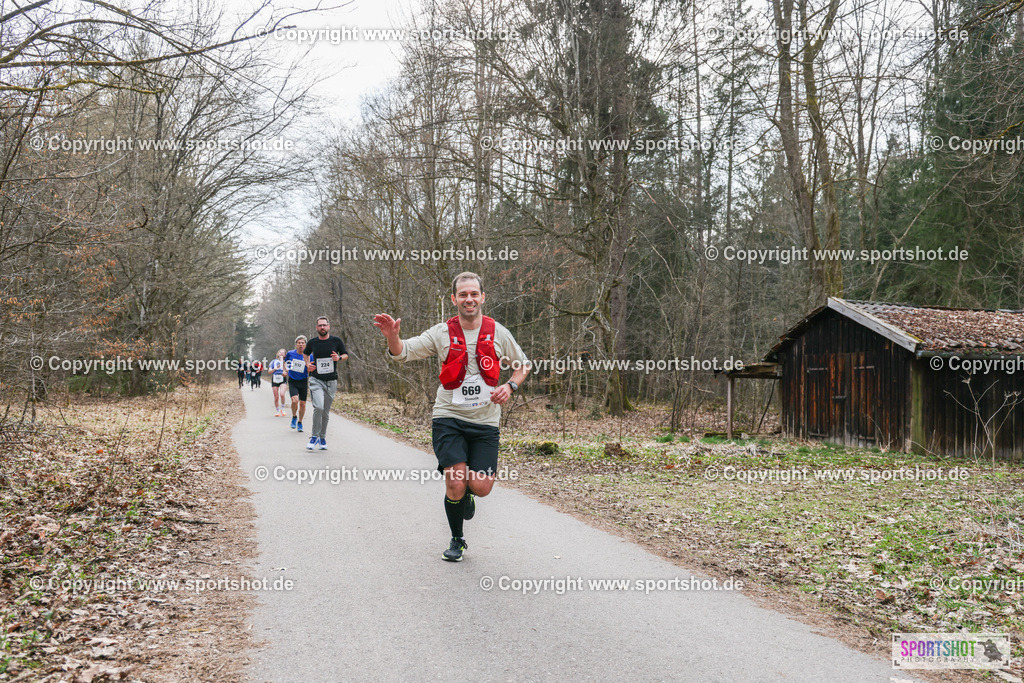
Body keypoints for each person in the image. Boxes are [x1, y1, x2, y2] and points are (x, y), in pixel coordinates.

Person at [374, 271, 530, 562]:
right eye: (463, 294)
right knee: (456, 482)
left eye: (474, 294)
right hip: (448, 417)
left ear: (482, 297)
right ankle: (457, 539)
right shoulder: (441, 333)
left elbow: (523, 365)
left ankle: (467, 492)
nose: (468, 299)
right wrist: (393, 338)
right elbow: (403, 352)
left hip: (485, 421)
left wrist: (510, 385)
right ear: (454, 299)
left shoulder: (498, 332)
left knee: (480, 487)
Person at [302, 317, 348, 451]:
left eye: (324, 325)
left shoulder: (336, 341)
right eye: (320, 325)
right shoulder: (312, 342)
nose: (322, 327)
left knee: (326, 412)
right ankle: (314, 436)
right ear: (316, 328)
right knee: (319, 407)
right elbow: (306, 354)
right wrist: (307, 364)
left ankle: (322, 437)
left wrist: (338, 358)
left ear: (329, 326)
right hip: (316, 379)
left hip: (331, 381)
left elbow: (345, 355)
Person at [285, 336, 309, 432]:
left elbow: (312, 366)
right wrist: (286, 369)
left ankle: (300, 422)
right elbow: (285, 362)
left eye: (302, 343)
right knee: (295, 401)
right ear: (296, 344)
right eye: (299, 343)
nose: (301, 345)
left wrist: (310, 368)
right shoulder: (290, 353)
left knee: (302, 404)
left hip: (303, 380)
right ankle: (294, 416)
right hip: (293, 380)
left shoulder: (309, 355)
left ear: (305, 344)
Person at [269, 349, 287, 416]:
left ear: (285, 355)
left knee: (282, 394)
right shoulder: (273, 362)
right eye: (280, 352)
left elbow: (287, 371)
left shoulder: (286, 362)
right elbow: (269, 371)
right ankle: (277, 411)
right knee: (276, 397)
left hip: (282, 378)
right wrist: (275, 368)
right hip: (275, 378)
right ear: (278, 354)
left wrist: (285, 370)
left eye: (283, 353)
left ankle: (283, 409)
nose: (281, 353)